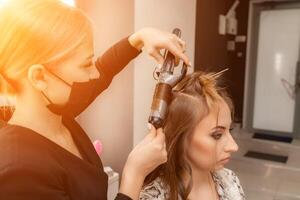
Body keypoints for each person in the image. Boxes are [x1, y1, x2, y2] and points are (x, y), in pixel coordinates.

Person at [0, 0, 191, 200]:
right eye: (85, 65)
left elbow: (104, 69)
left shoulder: (56, 114)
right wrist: (134, 174)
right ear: (39, 77)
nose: (93, 74)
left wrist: (139, 39)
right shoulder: (19, 173)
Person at [139, 71, 245, 200]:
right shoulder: (152, 196)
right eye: (217, 135)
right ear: (179, 138)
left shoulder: (230, 180)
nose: (234, 146)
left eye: (230, 130)